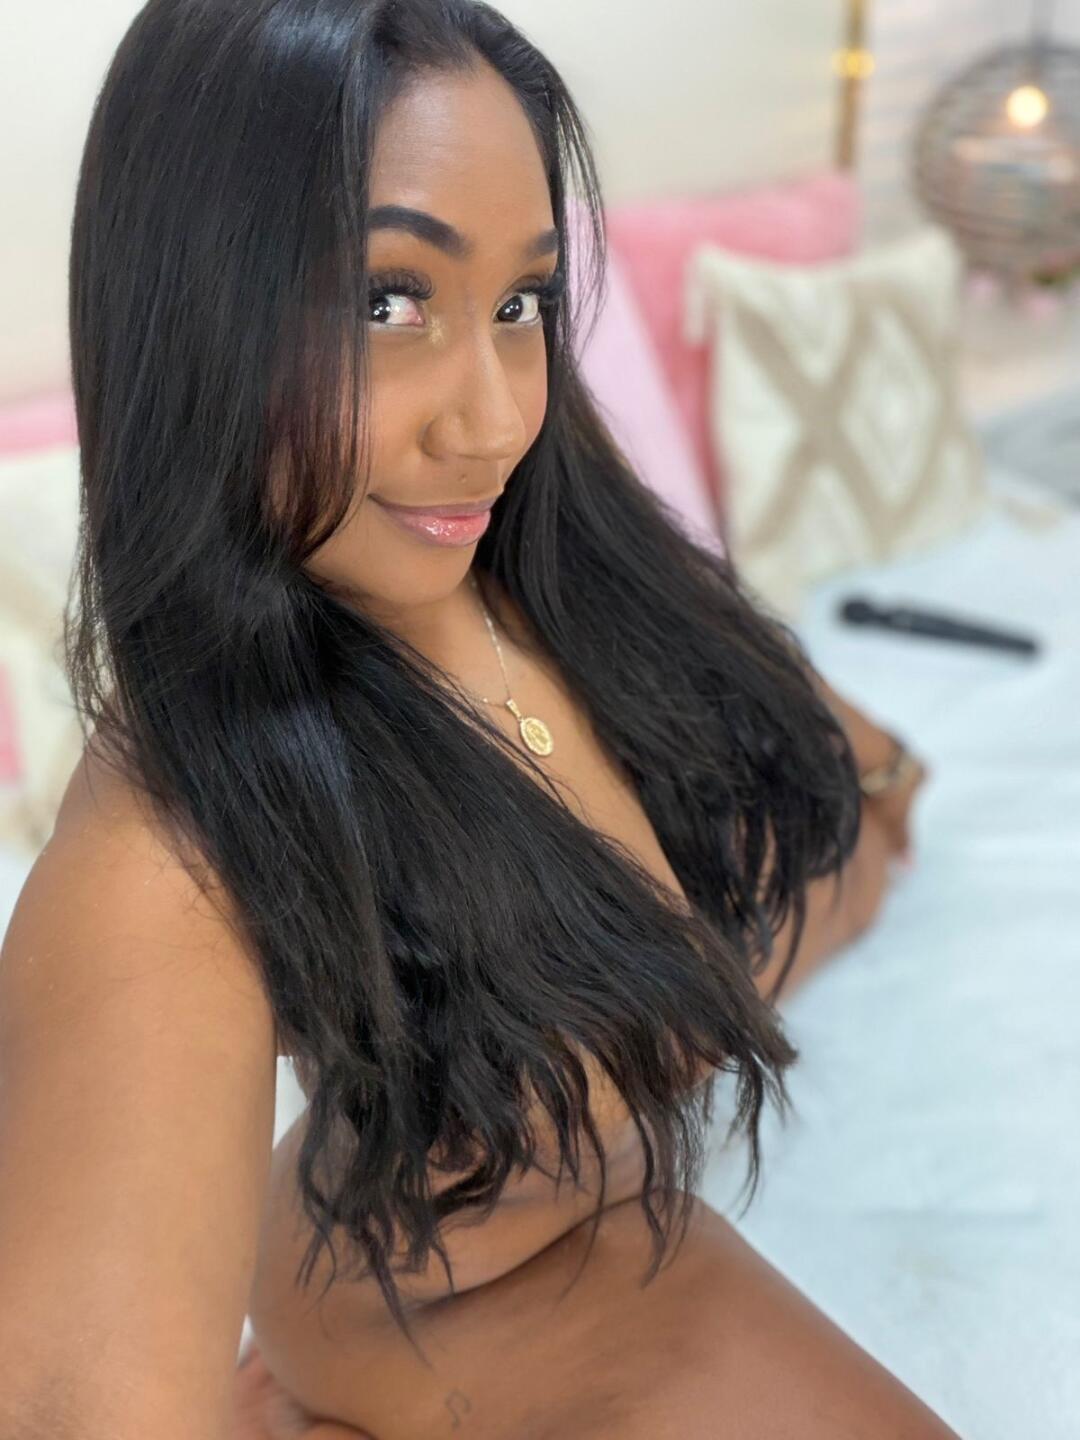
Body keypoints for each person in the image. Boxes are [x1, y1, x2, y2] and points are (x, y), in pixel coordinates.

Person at [0, 2, 948, 1438]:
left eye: (520, 302)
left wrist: (872, 782)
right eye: (390, 301)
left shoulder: (539, 554)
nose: (496, 419)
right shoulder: (167, 856)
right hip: (437, 1302)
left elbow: (784, 782)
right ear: (192, 312)